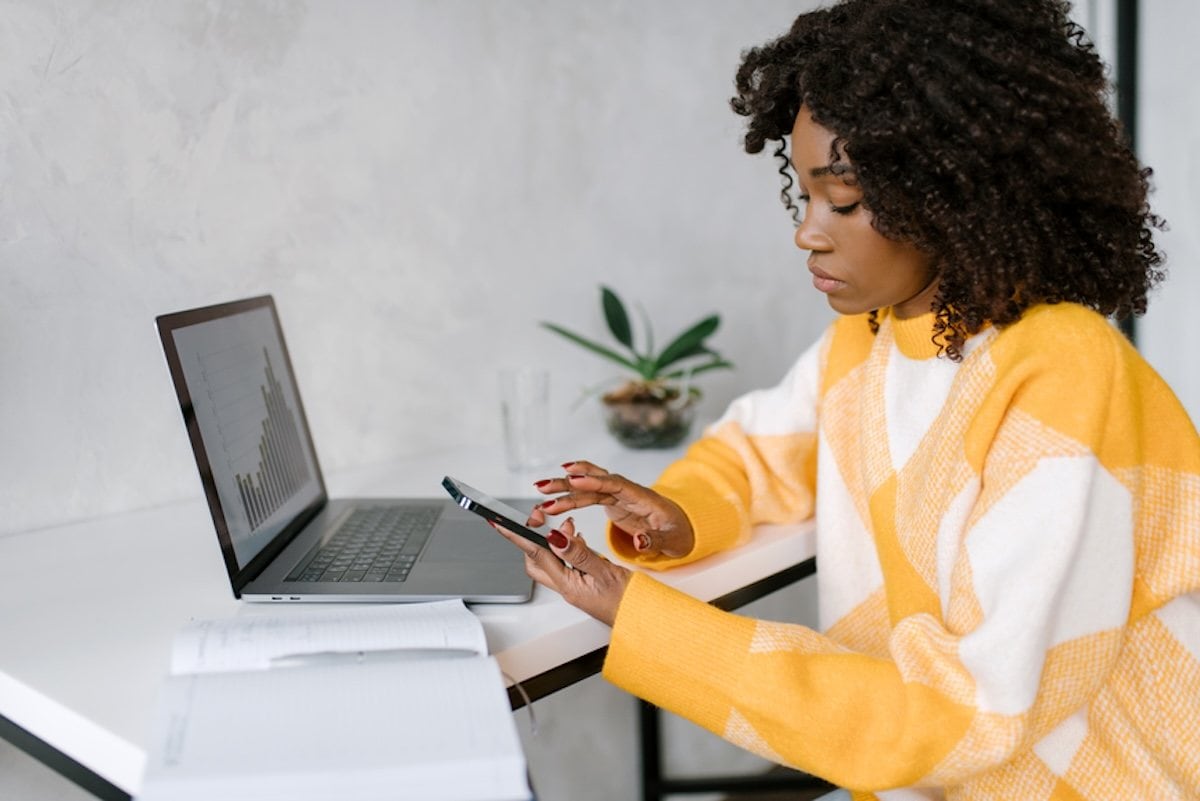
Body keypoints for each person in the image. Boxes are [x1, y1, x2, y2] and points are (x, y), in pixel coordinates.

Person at [492, 0, 1200, 798]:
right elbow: (763, 449)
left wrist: (642, 618)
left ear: (954, 192)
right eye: (805, 195)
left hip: (1090, 776)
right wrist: (679, 510)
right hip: (931, 765)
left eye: (847, 199)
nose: (808, 231)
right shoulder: (867, 341)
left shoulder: (1063, 369)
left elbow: (975, 706)